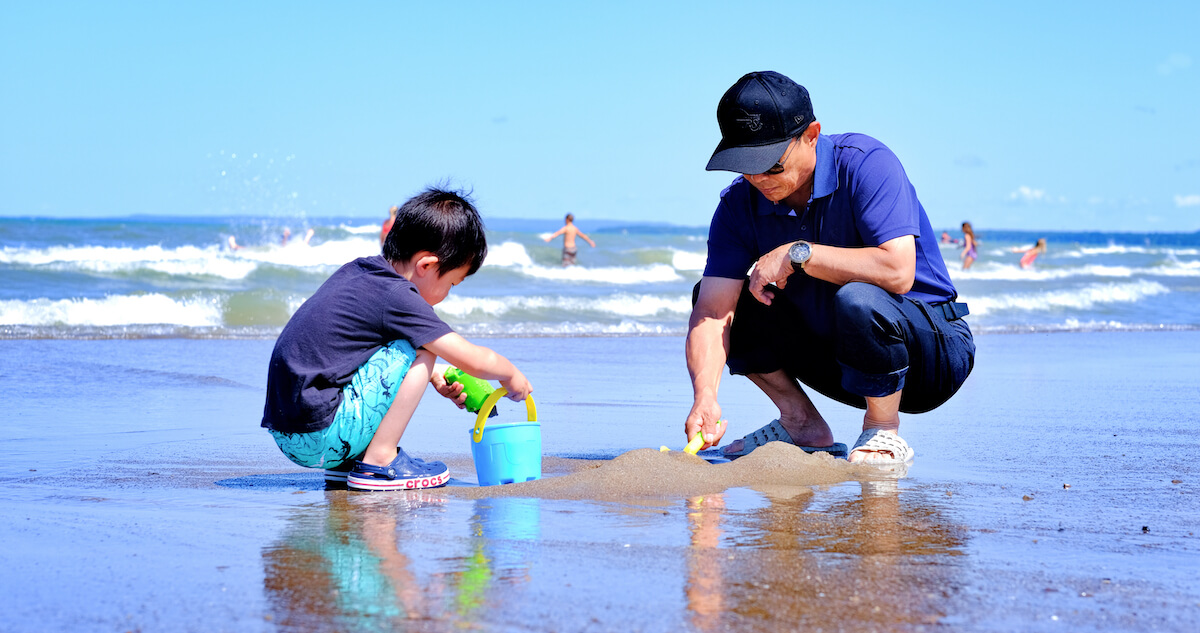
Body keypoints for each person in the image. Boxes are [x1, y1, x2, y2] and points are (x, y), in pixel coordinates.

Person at [685, 71, 975, 467]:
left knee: (858, 298)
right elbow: (712, 311)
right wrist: (705, 395)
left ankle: (882, 430)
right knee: (717, 296)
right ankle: (802, 425)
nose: (756, 178)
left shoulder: (866, 164)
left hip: (932, 354)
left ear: (811, 135)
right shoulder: (739, 204)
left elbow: (897, 271)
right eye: (744, 164)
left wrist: (797, 253)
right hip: (844, 360)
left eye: (770, 164)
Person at [261, 187, 533, 491]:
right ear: (426, 266)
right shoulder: (397, 296)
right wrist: (511, 375)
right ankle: (379, 462)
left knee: (420, 350)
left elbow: (348, 354)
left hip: (289, 431)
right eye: (451, 284)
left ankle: (349, 463)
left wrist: (432, 374)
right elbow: (474, 360)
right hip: (321, 433)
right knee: (425, 344)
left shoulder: (361, 272)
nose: (446, 295)